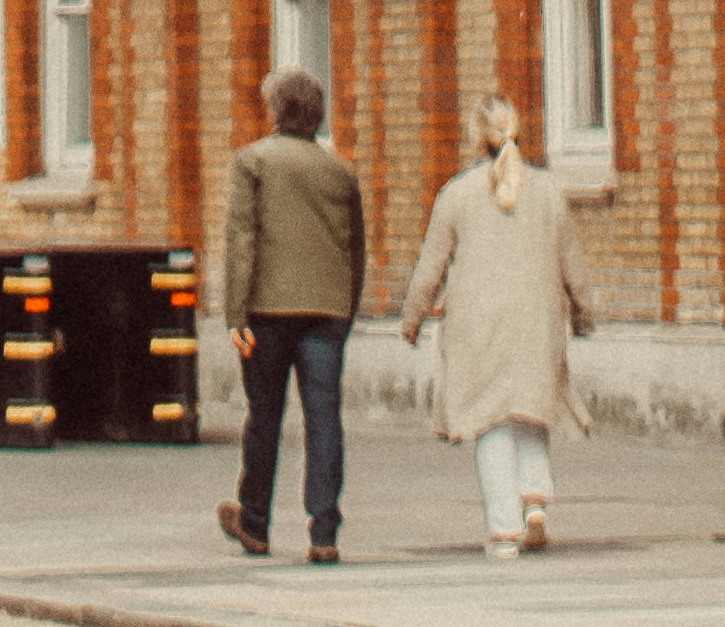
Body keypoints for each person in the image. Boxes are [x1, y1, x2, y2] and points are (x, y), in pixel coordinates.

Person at [399, 91, 590, 555]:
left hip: (476, 325)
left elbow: (431, 266)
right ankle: (535, 498)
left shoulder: (457, 194)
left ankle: (504, 528)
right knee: (530, 405)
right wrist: (584, 311)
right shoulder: (548, 192)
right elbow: (572, 263)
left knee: (490, 419)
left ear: (475, 138)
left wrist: (413, 317)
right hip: (536, 319)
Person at [215, 61, 364, 565]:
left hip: (266, 311)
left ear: (276, 111)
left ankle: (254, 521)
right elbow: (355, 248)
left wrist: (234, 314)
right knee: (324, 419)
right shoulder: (341, 171)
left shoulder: (251, 162)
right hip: (327, 310)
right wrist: (346, 310)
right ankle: (324, 530)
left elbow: (242, 240)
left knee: (265, 415)